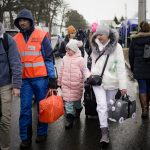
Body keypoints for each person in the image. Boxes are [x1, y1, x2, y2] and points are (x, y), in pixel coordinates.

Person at [13, 9, 57, 149]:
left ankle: (42, 133)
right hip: (25, 80)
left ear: (30, 21)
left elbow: (49, 58)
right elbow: (14, 62)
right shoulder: (15, 40)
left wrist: (52, 78)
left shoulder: (41, 35)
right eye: (20, 20)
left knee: (42, 108)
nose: (22, 22)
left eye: (25, 20)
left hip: (41, 79)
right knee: (25, 110)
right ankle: (25, 138)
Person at [90, 26, 127, 144]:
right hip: (98, 82)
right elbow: (92, 63)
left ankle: (105, 122)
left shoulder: (117, 47)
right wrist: (92, 74)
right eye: (97, 35)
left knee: (108, 105)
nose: (99, 37)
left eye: (101, 35)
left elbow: (120, 67)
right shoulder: (95, 46)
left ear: (108, 36)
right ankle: (104, 132)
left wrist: (123, 86)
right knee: (101, 105)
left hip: (112, 82)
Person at [57, 39, 90, 129]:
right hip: (66, 85)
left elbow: (85, 70)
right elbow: (61, 71)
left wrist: (88, 77)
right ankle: (70, 120)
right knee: (68, 103)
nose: (67, 51)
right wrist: (59, 82)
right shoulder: (65, 58)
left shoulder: (80, 60)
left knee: (77, 102)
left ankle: (79, 109)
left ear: (75, 49)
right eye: (66, 49)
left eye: (69, 49)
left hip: (77, 85)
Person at [0, 22, 22, 150]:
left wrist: (16, 85)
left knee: (5, 120)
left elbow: (16, 63)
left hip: (5, 85)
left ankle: (5, 147)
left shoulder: (8, 41)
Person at [129, 21, 150, 119]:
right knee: (149, 88)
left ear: (140, 28)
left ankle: (144, 110)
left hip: (139, 67)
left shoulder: (135, 40)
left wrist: (133, 68)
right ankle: (147, 108)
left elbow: (131, 56)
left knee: (142, 88)